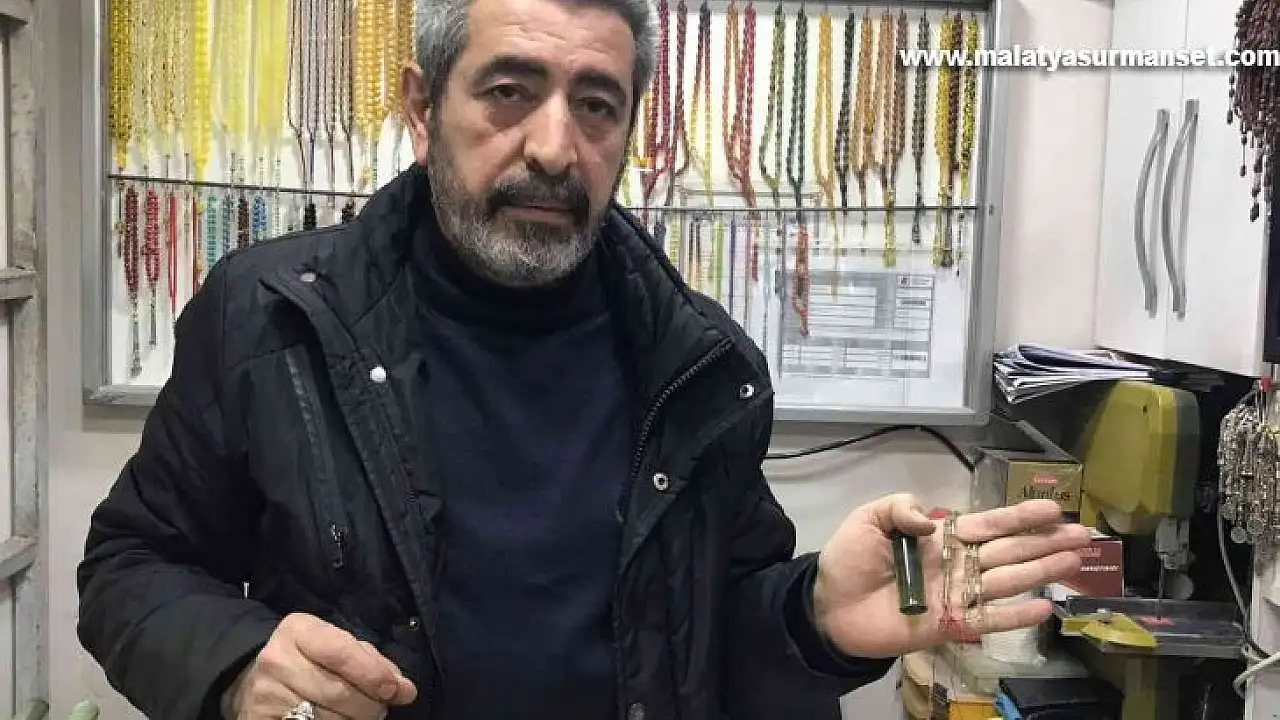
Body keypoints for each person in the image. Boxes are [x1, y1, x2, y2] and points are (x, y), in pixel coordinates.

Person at [76, 0, 1091, 717]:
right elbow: (130, 565)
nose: (554, 148)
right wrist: (236, 664)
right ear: (422, 108)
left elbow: (710, 642)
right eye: (509, 92)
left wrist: (815, 617)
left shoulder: (700, 366)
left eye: (595, 104)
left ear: (627, 131)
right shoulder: (269, 318)